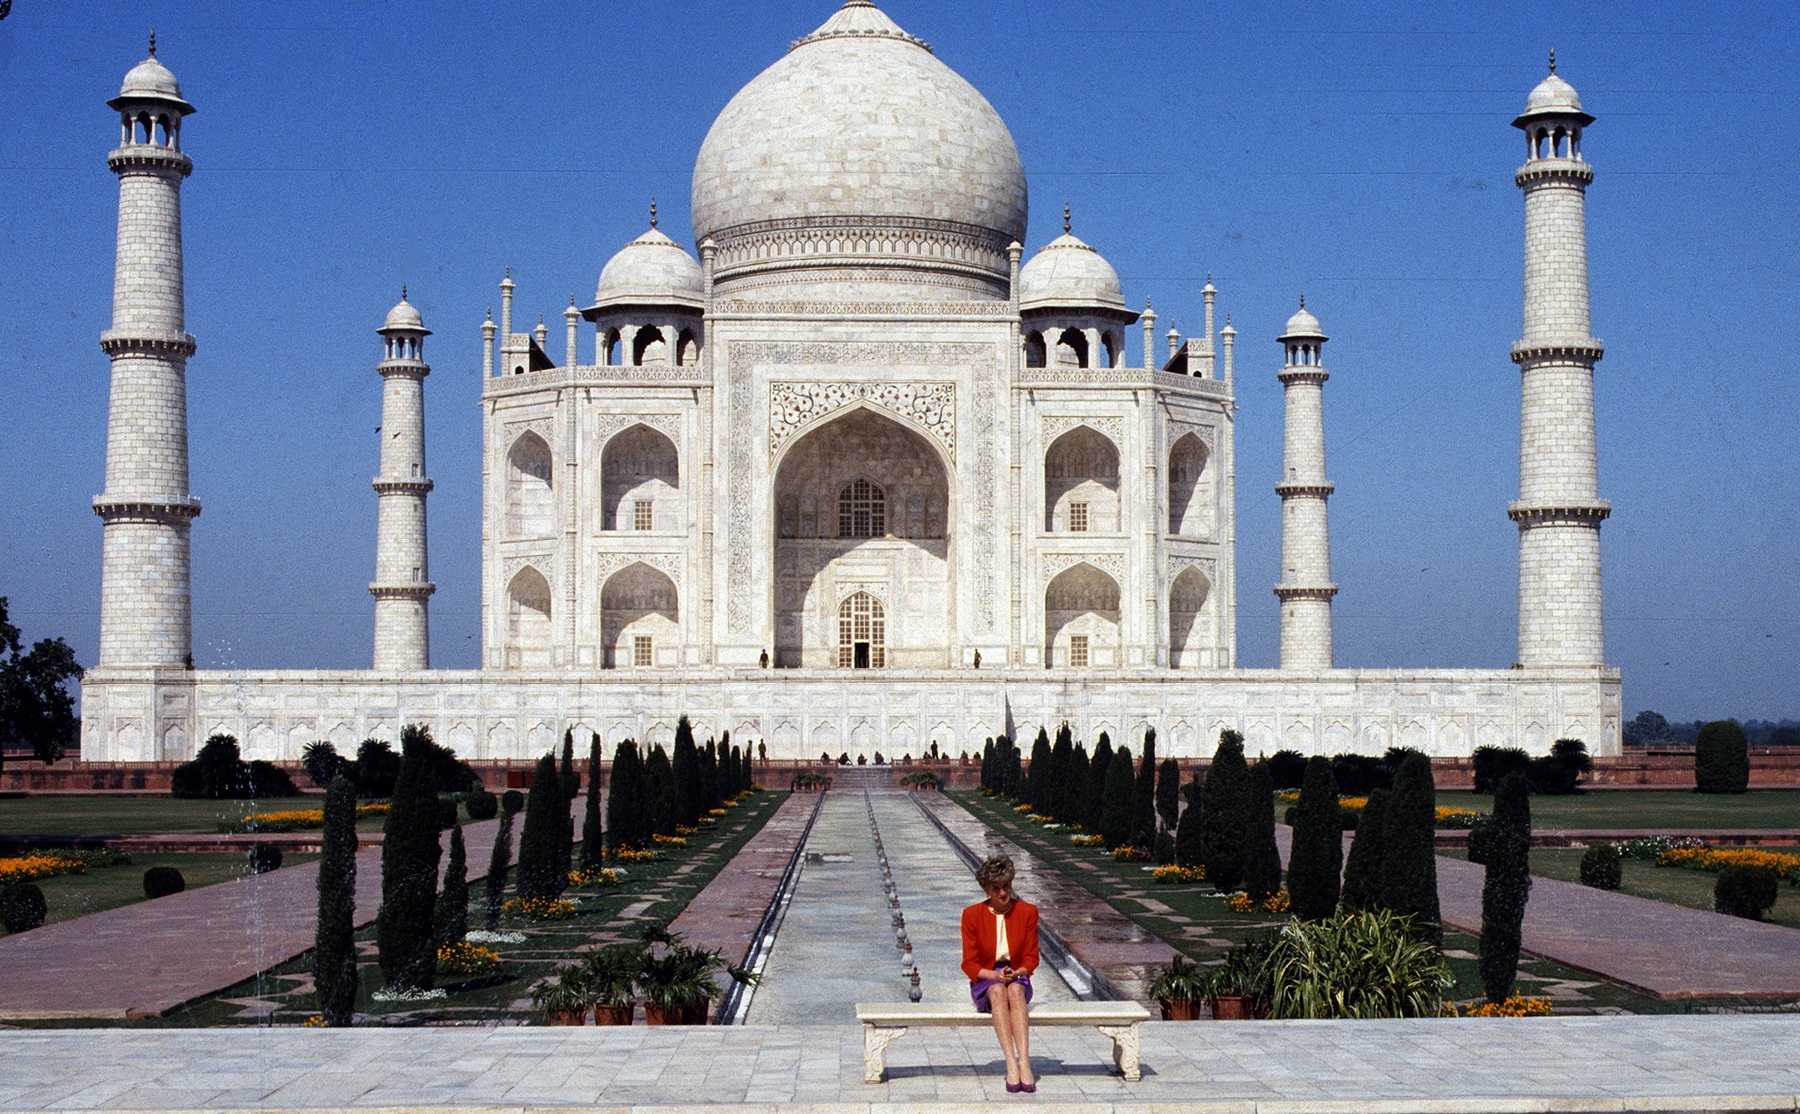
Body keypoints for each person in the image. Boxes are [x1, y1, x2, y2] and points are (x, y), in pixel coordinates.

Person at [961, 854, 1039, 1092]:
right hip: (986, 978)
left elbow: (1032, 958)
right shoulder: (972, 915)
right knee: (997, 992)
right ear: (987, 890)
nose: (1003, 893)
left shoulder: (1027, 912)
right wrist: (993, 975)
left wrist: (1017, 973)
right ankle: (1010, 1063)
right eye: (997, 889)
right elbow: (969, 964)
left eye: (1006, 886)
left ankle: (1024, 1061)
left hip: (1017, 974)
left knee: (1015, 991)